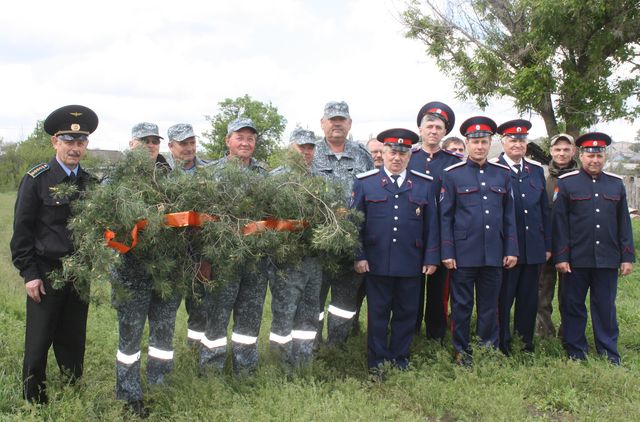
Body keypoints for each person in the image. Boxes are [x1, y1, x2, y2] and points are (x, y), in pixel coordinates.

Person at [10, 104, 98, 404]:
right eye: (68, 141)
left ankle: (73, 390)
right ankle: (34, 399)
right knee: (39, 340)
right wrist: (30, 274)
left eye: (81, 142)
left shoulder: (89, 184)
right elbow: (22, 232)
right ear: (55, 142)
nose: (75, 147)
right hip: (47, 271)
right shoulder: (37, 179)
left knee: (73, 338)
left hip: (79, 274)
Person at [352, 128, 439, 375]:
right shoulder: (365, 182)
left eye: (402, 153)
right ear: (383, 153)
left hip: (411, 262)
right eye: (392, 152)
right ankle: (377, 362)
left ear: (409, 156)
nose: (397, 157)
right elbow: (355, 224)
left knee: (406, 314)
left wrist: (431, 257)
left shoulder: (424, 184)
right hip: (376, 263)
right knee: (377, 315)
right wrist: (359, 256)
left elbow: (432, 225)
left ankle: (400, 359)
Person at [112, 122, 179, 418]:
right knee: (130, 338)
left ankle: (158, 387)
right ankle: (129, 395)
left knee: (163, 337)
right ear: (132, 144)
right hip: (132, 273)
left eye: (155, 141)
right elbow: (108, 221)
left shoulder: (170, 177)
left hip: (166, 274)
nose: (151, 145)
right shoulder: (117, 178)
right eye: (145, 140)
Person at [440, 116, 518, 365]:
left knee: (489, 307)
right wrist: (447, 252)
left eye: (484, 141)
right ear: (467, 143)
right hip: (463, 253)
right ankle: (461, 350)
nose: (480, 146)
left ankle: (488, 350)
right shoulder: (453, 175)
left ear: (490, 143)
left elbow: (509, 215)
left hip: (493, 252)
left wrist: (511, 248)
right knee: (462, 306)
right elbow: (445, 217)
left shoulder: (502, 175)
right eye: (475, 142)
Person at [552, 132, 635, 365]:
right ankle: (576, 351)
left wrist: (626, 257)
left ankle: (608, 352)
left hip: (607, 258)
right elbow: (559, 224)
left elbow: (623, 224)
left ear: (605, 156)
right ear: (581, 155)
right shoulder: (567, 183)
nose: (594, 160)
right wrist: (561, 256)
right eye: (590, 155)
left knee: (605, 306)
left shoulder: (616, 184)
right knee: (573, 306)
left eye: (599, 155)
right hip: (575, 259)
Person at [200, 118, 270, 375]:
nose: (245, 142)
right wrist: (204, 260)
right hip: (222, 261)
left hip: (255, 261)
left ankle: (245, 371)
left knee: (250, 318)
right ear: (228, 140)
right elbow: (201, 221)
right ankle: (210, 371)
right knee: (216, 318)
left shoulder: (264, 176)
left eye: (250, 138)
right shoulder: (210, 174)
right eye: (239, 137)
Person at [311, 101, 374, 345]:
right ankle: (313, 348)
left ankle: (338, 347)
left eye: (341, 120)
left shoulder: (362, 155)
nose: (337, 123)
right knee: (314, 300)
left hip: (351, 245)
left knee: (344, 304)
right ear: (322, 123)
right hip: (318, 245)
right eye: (332, 119)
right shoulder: (309, 153)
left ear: (349, 124)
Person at [492, 119, 550, 355]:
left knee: (529, 300)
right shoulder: (494, 169)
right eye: (512, 140)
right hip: (507, 249)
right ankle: (503, 344)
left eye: (521, 140)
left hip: (533, 248)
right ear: (503, 142)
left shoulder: (535, 171)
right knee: (504, 300)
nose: (517, 144)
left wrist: (547, 245)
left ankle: (525, 344)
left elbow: (544, 211)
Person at [268, 128, 323, 367]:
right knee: (284, 314)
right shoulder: (276, 179)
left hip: (314, 260)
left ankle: (303, 361)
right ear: (290, 148)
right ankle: (280, 363)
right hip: (286, 262)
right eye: (301, 147)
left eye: (310, 147)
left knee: (309, 313)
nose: (306, 151)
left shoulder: (321, 179)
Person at [407, 101, 461, 341]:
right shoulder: (409, 157)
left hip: (441, 234)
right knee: (412, 287)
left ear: (444, 132)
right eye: (429, 126)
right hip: (413, 234)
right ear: (420, 129)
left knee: (439, 289)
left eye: (439, 127)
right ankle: (410, 330)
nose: (433, 131)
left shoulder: (453, 161)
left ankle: (436, 334)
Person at [166, 123, 211, 345]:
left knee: (200, 304)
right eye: (183, 143)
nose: (189, 148)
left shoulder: (210, 171)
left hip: (201, 251)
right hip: (170, 253)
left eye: (192, 142)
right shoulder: (161, 173)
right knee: (167, 306)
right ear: (171, 146)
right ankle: (164, 352)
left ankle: (196, 349)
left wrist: (207, 258)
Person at [536, 133, 578, 338]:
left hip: (572, 247)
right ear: (551, 151)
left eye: (566, 149)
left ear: (573, 151)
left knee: (569, 295)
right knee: (542, 294)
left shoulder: (581, 180)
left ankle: (568, 335)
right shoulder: (542, 180)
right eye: (557, 149)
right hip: (546, 246)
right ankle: (544, 334)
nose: (561, 153)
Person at [351, 137, 385, 335]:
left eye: (382, 151)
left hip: (381, 254)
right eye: (374, 152)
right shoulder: (363, 180)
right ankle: (352, 330)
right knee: (353, 296)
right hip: (361, 249)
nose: (378, 155)